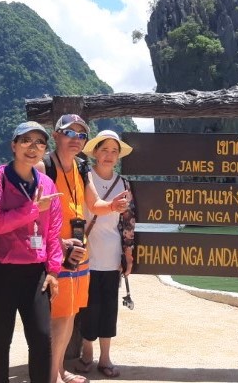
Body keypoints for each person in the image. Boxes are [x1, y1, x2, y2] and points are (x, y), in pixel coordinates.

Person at [34, 114, 130, 383]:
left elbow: (95, 203)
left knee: (69, 316)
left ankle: (58, 370)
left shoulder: (81, 167)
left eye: (81, 135)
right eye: (70, 133)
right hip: (54, 255)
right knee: (55, 319)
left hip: (78, 256)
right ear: (56, 136)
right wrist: (57, 243)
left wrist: (113, 207)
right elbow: (30, 216)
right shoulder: (43, 167)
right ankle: (50, 376)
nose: (76, 139)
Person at [0, 121, 63, 382]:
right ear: (13, 145)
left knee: (41, 337)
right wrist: (33, 210)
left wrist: (54, 270)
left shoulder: (46, 184)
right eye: (26, 140)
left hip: (36, 274)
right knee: (1, 339)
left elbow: (53, 233)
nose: (33, 147)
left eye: (40, 142)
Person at [75, 130, 135, 378]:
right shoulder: (82, 178)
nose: (109, 155)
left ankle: (105, 357)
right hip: (85, 255)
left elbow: (129, 222)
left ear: (118, 156)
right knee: (88, 307)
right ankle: (87, 351)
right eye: (104, 150)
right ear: (95, 152)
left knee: (109, 307)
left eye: (114, 151)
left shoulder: (124, 184)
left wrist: (128, 255)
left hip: (111, 255)